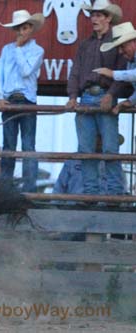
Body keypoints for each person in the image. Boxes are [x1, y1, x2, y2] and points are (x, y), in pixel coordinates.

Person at [66, 0, 129, 197]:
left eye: (99, 15)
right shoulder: (85, 44)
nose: (94, 19)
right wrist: (73, 96)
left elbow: (122, 72)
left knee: (110, 147)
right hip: (86, 97)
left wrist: (111, 94)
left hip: (104, 95)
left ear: (108, 18)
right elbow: (75, 71)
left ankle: (115, 194)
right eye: (93, 15)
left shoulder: (117, 43)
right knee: (85, 149)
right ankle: (91, 193)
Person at [0, 9, 45, 193]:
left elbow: (25, 71)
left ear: (31, 29)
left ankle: (28, 189)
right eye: (18, 28)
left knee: (28, 144)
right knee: (8, 145)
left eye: (24, 28)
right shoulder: (6, 50)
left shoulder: (38, 51)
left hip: (27, 100)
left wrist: (19, 49)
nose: (20, 32)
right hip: (9, 100)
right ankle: (6, 188)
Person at [95, 22, 136, 114]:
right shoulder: (131, 62)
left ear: (134, 42)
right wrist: (130, 101)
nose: (120, 51)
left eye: (122, 46)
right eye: (118, 48)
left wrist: (113, 74)